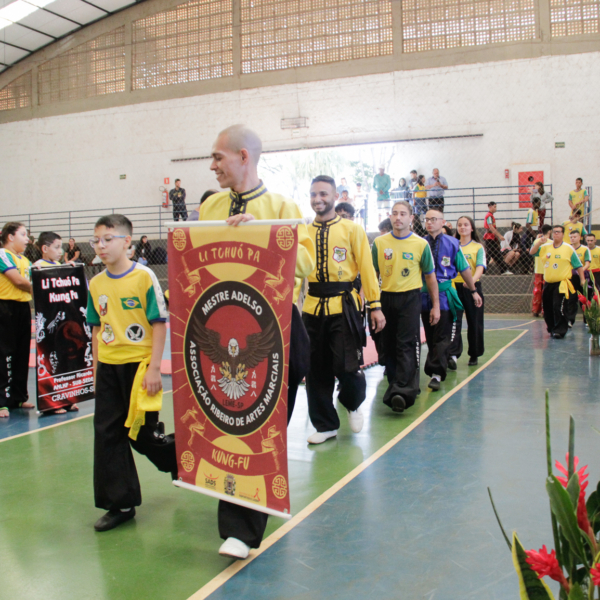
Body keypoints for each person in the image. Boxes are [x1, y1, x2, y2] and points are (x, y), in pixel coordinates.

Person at [200, 124, 315, 560]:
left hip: (274, 328)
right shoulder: (209, 207)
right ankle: (236, 517)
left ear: (243, 156)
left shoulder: (282, 206)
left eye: (218, 157)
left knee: (264, 419)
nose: (212, 166)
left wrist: (263, 233)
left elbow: (305, 264)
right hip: (222, 327)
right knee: (227, 415)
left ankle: (247, 510)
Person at [87, 214, 174, 533]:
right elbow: (96, 329)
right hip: (109, 367)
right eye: (96, 240)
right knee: (107, 433)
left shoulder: (144, 276)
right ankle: (120, 504)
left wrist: (154, 368)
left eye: (107, 239)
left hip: (139, 367)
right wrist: (97, 370)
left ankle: (179, 458)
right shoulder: (96, 283)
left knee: (142, 434)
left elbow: (159, 323)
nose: (101, 246)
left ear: (127, 241)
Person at [303, 175, 384, 442]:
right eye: (313, 194)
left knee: (348, 366)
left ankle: (352, 403)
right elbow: (295, 273)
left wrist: (375, 305)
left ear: (335, 196)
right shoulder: (303, 232)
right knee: (315, 370)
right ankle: (325, 425)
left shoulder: (352, 230)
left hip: (344, 306)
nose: (318, 199)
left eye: (323, 194)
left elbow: (367, 268)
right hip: (312, 307)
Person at [372, 201, 438, 413]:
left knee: (406, 343)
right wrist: (371, 303)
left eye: (402, 214)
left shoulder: (420, 244)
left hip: (410, 298)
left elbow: (430, 277)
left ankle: (402, 391)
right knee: (389, 344)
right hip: (386, 298)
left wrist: (436, 305)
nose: (398, 217)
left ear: (411, 218)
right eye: (394, 213)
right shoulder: (379, 243)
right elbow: (372, 274)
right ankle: (396, 385)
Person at [422, 209, 482, 391]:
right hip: (423, 296)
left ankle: (436, 374)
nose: (429, 222)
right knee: (430, 336)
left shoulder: (453, 244)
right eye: (427, 219)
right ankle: (436, 364)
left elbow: (464, 269)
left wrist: (473, 291)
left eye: (434, 219)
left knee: (442, 336)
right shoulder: (419, 243)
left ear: (443, 222)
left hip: (444, 296)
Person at [31, 231, 81, 415]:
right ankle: (51, 403)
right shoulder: (37, 266)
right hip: (48, 322)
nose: (61, 251)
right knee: (49, 361)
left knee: (64, 360)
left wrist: (71, 271)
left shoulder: (60, 266)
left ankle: (67, 399)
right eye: (57, 247)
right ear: (45, 248)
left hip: (63, 321)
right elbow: (34, 291)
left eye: (61, 247)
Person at [0, 222, 34, 419]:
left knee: (22, 352)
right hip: (5, 307)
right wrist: (40, 287)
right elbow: (18, 281)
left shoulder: (26, 260)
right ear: (10, 237)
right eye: (23, 234)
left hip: (23, 307)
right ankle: (2, 401)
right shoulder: (2, 254)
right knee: (4, 353)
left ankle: (18, 397)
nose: (27, 239)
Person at [529, 225, 585, 339]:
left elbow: (578, 265)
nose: (556, 234)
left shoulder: (568, 248)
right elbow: (532, 252)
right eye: (554, 232)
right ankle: (551, 327)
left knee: (557, 306)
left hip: (562, 283)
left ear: (563, 234)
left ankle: (560, 330)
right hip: (548, 283)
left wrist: (582, 279)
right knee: (547, 308)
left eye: (558, 232)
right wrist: (539, 243)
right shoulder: (545, 247)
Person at [449, 216, 486, 367]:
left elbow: (480, 268)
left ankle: (474, 354)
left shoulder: (478, 247)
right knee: (454, 321)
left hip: (472, 287)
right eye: (459, 225)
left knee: (474, 321)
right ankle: (453, 355)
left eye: (466, 224)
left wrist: (471, 282)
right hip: (454, 288)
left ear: (471, 228)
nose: (462, 227)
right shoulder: (452, 245)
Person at [565, 229, 590, 326]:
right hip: (570, 277)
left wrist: (580, 270)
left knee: (584, 298)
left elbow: (587, 263)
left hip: (582, 276)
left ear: (579, 237)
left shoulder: (585, 249)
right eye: (571, 237)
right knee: (571, 299)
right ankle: (570, 320)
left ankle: (587, 319)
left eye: (574, 237)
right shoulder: (567, 248)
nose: (572, 239)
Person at [532, 225, 553, 317]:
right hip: (547, 270)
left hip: (538, 269)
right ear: (549, 232)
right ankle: (545, 310)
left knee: (537, 290)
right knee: (546, 291)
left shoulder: (536, 241)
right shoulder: (551, 243)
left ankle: (535, 310)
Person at [483, 202, 505, 273]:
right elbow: (491, 227)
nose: (496, 208)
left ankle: (503, 269)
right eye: (494, 207)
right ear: (490, 207)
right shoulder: (489, 216)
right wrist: (499, 235)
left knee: (494, 254)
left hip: (491, 238)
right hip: (490, 238)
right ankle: (503, 269)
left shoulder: (491, 216)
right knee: (493, 254)